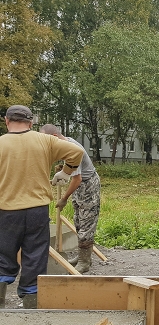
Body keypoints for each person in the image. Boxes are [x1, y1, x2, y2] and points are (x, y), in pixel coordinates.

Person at [0, 105, 84, 309]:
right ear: (31, 123)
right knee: (35, 255)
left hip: (6, 210)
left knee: (3, 254)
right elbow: (77, 151)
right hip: (37, 210)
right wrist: (66, 172)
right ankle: (31, 303)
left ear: (6, 121)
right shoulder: (45, 140)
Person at [40, 124, 101, 274]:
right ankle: (83, 257)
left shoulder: (71, 148)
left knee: (86, 224)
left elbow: (77, 179)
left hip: (88, 186)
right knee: (79, 222)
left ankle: (84, 262)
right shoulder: (64, 144)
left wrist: (64, 198)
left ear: (53, 137)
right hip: (80, 187)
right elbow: (72, 172)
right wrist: (63, 170)